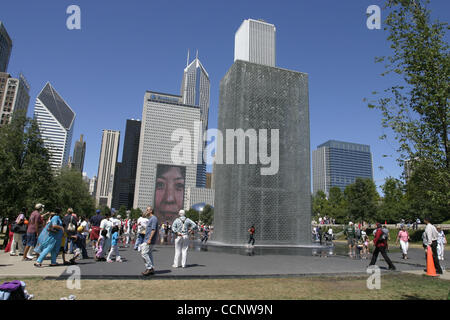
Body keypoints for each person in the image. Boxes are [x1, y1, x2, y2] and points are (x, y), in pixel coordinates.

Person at [141, 207, 158, 276]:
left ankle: (149, 268)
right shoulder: (150, 219)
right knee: (149, 254)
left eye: (147, 210)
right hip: (147, 238)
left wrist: (149, 239)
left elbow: (153, 230)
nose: (146, 211)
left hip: (149, 239)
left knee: (144, 253)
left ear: (151, 211)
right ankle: (151, 268)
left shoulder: (153, 218)